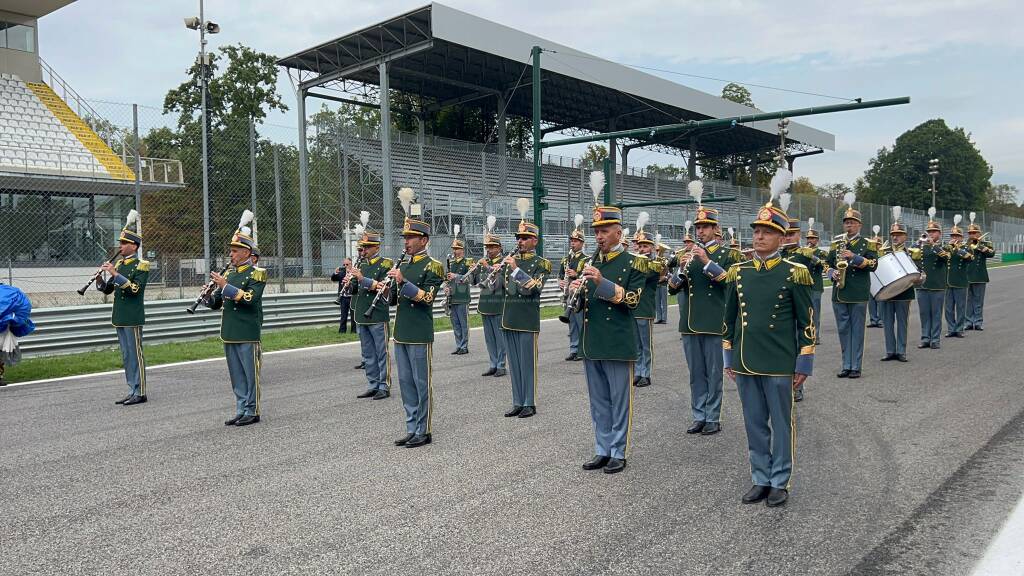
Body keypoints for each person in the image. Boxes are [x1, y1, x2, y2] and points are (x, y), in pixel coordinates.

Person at [723, 200, 815, 508]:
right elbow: (729, 321)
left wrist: (804, 361)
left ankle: (779, 480)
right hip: (747, 360)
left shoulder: (795, 273)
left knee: (781, 422)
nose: (760, 237)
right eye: (757, 231)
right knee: (754, 423)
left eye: (767, 232)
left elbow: (807, 323)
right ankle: (760, 477)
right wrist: (729, 358)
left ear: (781, 237)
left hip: (779, 360)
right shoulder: (738, 272)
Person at [569, 205, 646, 474]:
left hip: (617, 342)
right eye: (597, 232)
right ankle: (602, 449)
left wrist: (602, 282)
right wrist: (573, 294)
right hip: (592, 342)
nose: (599, 236)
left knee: (619, 400)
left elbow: (634, 300)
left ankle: (618, 451)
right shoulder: (590, 262)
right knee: (599, 401)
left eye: (604, 231)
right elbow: (584, 305)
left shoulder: (634, 262)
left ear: (618, 232)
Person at [668, 204, 739, 431]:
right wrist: (679, 271)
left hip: (714, 321)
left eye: (705, 227)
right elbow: (672, 289)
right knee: (696, 373)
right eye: (698, 227)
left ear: (714, 228)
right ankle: (699, 415)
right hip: (689, 322)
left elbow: (729, 282)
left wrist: (707, 261)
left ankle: (713, 417)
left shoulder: (728, 254)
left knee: (714, 372)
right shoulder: (686, 256)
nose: (700, 232)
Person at [388, 215, 444, 448]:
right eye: (405, 237)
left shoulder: (433, 266)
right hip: (401, 331)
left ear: (424, 240)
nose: (407, 241)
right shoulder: (402, 264)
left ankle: (424, 429)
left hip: (420, 333)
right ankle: (411, 428)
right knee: (406, 383)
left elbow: (428, 298)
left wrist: (402, 282)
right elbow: (393, 300)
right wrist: (387, 288)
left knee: (422, 383)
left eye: (411, 237)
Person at [208, 214, 267, 427]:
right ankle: (241, 408)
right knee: (236, 375)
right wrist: (208, 297)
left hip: (247, 330)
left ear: (246, 253)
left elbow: (250, 299)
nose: (231, 255)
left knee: (250, 374)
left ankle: (253, 410)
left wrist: (224, 286)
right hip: (230, 331)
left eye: (234, 251)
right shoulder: (229, 275)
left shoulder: (257, 274)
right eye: (231, 251)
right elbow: (216, 303)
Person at [500, 210, 550, 419]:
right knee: (514, 363)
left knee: (527, 363)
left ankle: (529, 402)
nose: (520, 241)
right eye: (518, 238)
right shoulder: (511, 261)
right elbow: (505, 289)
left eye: (524, 238)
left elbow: (534, 288)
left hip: (528, 319)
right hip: (510, 317)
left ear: (534, 240)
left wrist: (515, 268)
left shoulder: (541, 263)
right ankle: (517, 401)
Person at [96, 216, 150, 406]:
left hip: (133, 316)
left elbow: (135, 289)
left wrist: (114, 274)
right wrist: (100, 280)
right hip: (119, 316)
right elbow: (109, 289)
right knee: (126, 355)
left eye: (124, 243)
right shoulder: (119, 265)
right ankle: (132, 389)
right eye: (120, 242)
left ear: (134, 246)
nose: (120, 246)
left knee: (136, 354)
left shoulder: (141, 265)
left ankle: (141, 391)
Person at [826, 204, 878, 379]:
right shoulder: (836, 243)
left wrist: (855, 258)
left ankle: (856, 366)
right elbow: (826, 263)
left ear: (859, 225)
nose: (849, 225)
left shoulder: (868, 243)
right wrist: (830, 271)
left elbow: (873, 265)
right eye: (846, 222)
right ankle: (846, 364)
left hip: (858, 292)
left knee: (857, 331)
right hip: (839, 292)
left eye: (852, 222)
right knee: (843, 330)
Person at [348, 229, 393, 400]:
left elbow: (385, 288)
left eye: (367, 247)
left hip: (377, 313)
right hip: (362, 314)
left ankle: (384, 385)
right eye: (363, 247)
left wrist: (362, 279)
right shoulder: (361, 264)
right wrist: (350, 283)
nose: (363, 250)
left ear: (376, 248)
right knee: (367, 353)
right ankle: (373, 384)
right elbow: (355, 289)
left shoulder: (386, 264)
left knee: (381, 352)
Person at [878, 221, 918, 362]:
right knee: (887, 323)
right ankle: (890, 351)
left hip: (904, 292)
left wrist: (920, 277)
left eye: (899, 235)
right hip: (887, 292)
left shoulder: (912, 252)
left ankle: (901, 351)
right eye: (893, 235)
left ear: (905, 237)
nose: (895, 237)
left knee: (902, 322)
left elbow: (919, 271)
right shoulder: (883, 251)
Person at [630, 224, 662, 388]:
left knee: (645, 344)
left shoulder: (654, 264)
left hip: (645, 309)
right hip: (633, 308)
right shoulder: (635, 262)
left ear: (652, 247)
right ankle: (638, 372)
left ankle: (646, 374)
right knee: (635, 344)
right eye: (640, 246)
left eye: (645, 246)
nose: (642, 249)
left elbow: (644, 277)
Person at [473, 230, 507, 377]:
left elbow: (498, 283)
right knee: (489, 338)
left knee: (500, 338)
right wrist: (472, 272)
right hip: (485, 304)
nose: (489, 250)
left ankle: (501, 365)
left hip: (498, 304)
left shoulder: (505, 262)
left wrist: (486, 266)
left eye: (492, 247)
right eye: (487, 247)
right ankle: (493, 364)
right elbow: (475, 282)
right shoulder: (483, 262)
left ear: (499, 247)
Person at [916, 216, 949, 349]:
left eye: (933, 232)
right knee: (924, 313)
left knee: (936, 313)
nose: (930, 234)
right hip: (922, 285)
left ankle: (935, 339)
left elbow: (946, 257)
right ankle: (925, 338)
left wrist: (933, 245)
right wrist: (920, 243)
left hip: (937, 285)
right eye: (929, 232)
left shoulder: (943, 247)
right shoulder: (920, 247)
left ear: (939, 234)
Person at [559, 225, 587, 361]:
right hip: (568, 295)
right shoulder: (566, 260)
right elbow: (560, 276)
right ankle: (573, 349)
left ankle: (582, 349)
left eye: (575, 241)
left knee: (581, 323)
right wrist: (560, 282)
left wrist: (576, 274)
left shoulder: (586, 259)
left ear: (581, 243)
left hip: (580, 296)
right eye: (572, 241)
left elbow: (587, 278)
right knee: (571, 324)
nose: (573, 243)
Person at [944, 224, 973, 338]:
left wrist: (957, 249)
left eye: (957, 236)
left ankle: (959, 328)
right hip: (948, 281)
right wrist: (950, 248)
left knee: (960, 307)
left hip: (960, 281)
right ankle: (951, 329)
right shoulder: (946, 247)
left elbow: (970, 258)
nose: (954, 238)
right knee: (948, 308)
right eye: (953, 235)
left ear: (961, 237)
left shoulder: (966, 248)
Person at [965, 222, 994, 331]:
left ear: (979, 233)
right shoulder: (965, 244)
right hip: (967, 275)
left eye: (974, 232)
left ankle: (978, 322)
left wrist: (979, 245)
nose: (972, 235)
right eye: (970, 233)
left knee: (978, 300)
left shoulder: (986, 243)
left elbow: (991, 253)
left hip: (980, 275)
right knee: (968, 301)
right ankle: (968, 322)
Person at [446, 236, 471, 355]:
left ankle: (464, 346)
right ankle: (458, 345)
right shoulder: (451, 263)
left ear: (462, 249)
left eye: (457, 248)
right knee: (455, 323)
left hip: (462, 297)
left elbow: (470, 278)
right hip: (452, 297)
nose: (454, 251)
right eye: (453, 248)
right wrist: (446, 286)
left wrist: (456, 276)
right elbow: (448, 279)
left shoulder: (467, 262)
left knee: (463, 323)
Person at [804, 224, 826, 345]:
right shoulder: (803, 251)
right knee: (805, 312)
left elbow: (822, 265)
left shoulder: (821, 252)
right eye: (808, 238)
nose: (809, 241)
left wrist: (810, 256)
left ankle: (815, 336)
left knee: (815, 312)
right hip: (805, 286)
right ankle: (807, 334)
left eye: (812, 238)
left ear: (817, 240)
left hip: (816, 286)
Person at [331, 255, 358, 334]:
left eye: (347, 264)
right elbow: (333, 279)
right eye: (344, 265)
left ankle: (354, 331)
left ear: (351, 264)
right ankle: (342, 331)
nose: (346, 266)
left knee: (353, 316)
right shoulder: (342, 273)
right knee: (343, 315)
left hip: (352, 297)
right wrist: (335, 272)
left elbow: (357, 284)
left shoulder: (355, 273)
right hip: (343, 297)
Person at [867, 230, 885, 328]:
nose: (876, 245)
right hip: (871, 278)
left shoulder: (882, 253)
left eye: (877, 244)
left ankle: (881, 320)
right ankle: (873, 320)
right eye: (875, 243)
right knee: (871, 301)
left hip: (881, 279)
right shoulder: (869, 253)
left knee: (880, 301)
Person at [654, 242, 670, 324]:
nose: (658, 252)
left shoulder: (666, 261)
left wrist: (665, 277)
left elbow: (670, 273)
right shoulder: (654, 261)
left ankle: (664, 318)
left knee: (664, 302)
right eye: (657, 251)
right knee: (657, 302)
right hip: (656, 284)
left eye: (659, 250)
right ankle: (659, 318)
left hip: (663, 284)